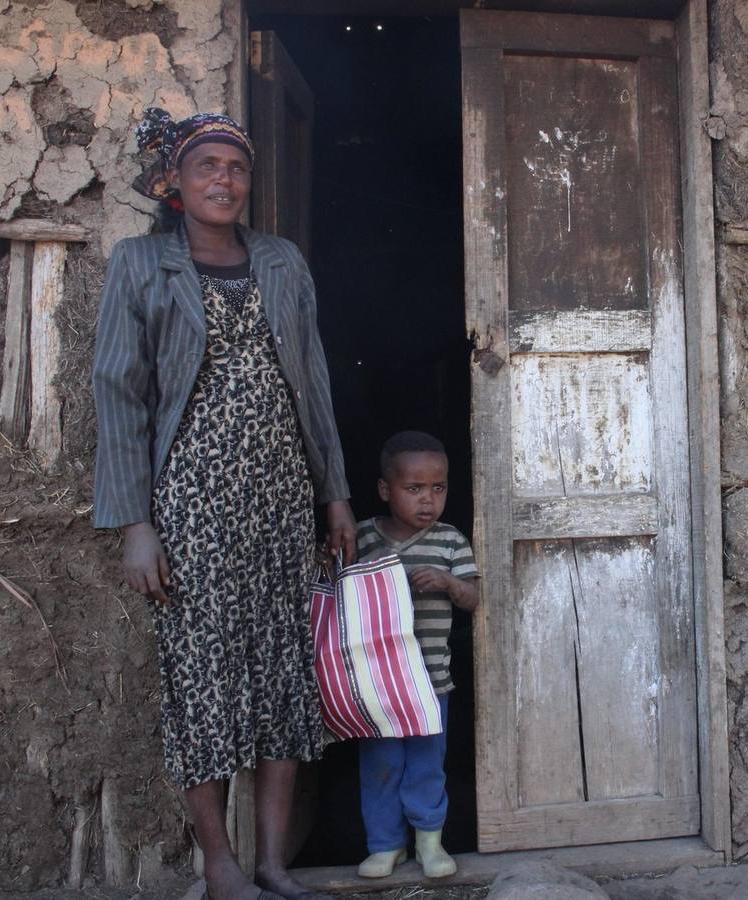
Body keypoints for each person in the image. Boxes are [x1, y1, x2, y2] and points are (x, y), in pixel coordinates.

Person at [92, 107, 355, 900]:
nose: (224, 181)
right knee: (200, 677)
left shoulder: (281, 261)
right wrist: (137, 523)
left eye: (236, 168)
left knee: (282, 672)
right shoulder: (141, 265)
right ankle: (220, 865)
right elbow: (118, 394)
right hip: (189, 504)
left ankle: (274, 863)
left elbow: (313, 381)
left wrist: (334, 494)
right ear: (173, 181)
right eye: (206, 166)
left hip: (278, 501)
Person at [353, 431, 479, 880]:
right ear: (386, 490)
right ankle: (386, 845)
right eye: (414, 489)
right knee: (381, 765)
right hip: (376, 684)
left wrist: (448, 583)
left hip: (430, 680)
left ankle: (430, 843)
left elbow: (473, 598)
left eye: (438, 488)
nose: (428, 500)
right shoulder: (363, 537)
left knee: (427, 764)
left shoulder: (449, 541)